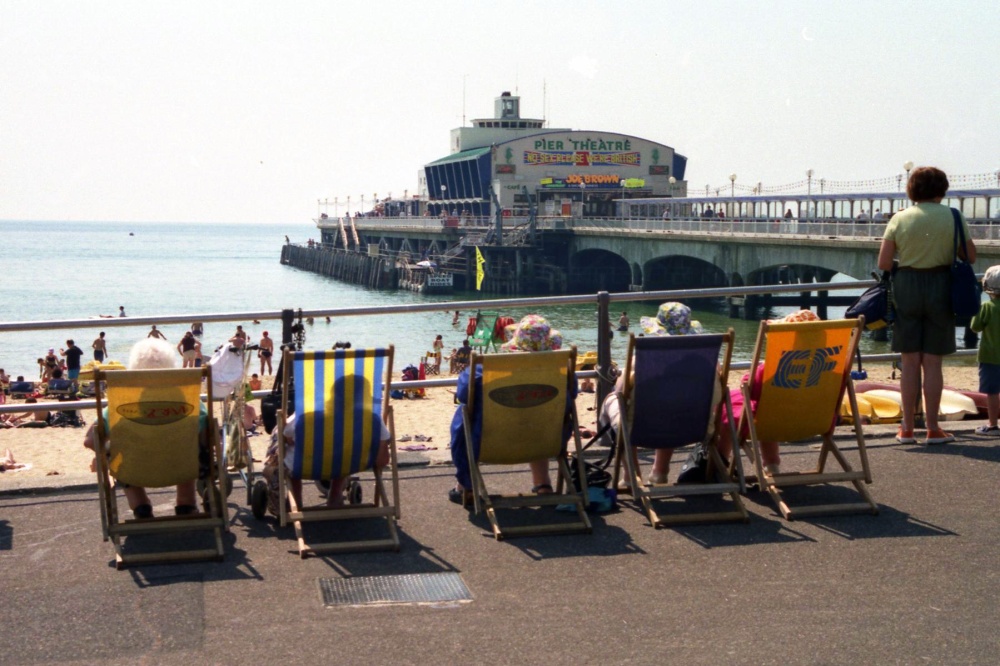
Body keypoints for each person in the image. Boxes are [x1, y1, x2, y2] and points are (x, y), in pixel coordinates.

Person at [878, 166, 976, 445]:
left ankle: (907, 428)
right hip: (941, 286)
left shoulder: (899, 218)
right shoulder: (953, 216)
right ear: (941, 189)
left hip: (907, 286)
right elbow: (969, 255)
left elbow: (884, 263)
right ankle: (933, 428)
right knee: (933, 362)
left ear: (912, 189)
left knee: (910, 361)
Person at [448, 315, 576, 503]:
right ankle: (543, 483)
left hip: (492, 441)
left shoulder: (487, 370)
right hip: (545, 440)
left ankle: (465, 486)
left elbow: (463, 394)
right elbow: (572, 394)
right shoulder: (561, 372)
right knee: (538, 412)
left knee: (464, 413)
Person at [83, 338, 210, 519]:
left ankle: (140, 505)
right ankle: (186, 503)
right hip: (183, 466)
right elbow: (207, 438)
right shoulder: (191, 402)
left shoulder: (118, 406)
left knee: (119, 454)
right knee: (192, 447)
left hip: (136, 469)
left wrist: (105, 454)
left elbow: (89, 440)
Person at [600, 302, 705, 483]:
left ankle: (631, 475)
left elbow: (620, 391)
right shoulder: (703, 362)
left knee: (615, 402)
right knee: (672, 408)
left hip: (643, 426)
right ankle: (659, 471)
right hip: (690, 426)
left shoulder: (641, 361)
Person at [267, 374, 391, 508]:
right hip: (349, 465)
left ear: (332, 393)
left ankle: (295, 500)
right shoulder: (372, 420)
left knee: (284, 445)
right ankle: (335, 494)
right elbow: (381, 461)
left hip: (304, 466)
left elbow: (287, 434)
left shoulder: (309, 413)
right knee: (344, 452)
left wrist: (289, 438)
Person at [971, 265, 1000, 435]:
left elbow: (975, 327)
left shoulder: (987, 307)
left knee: (992, 392)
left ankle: (993, 424)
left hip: (990, 357)